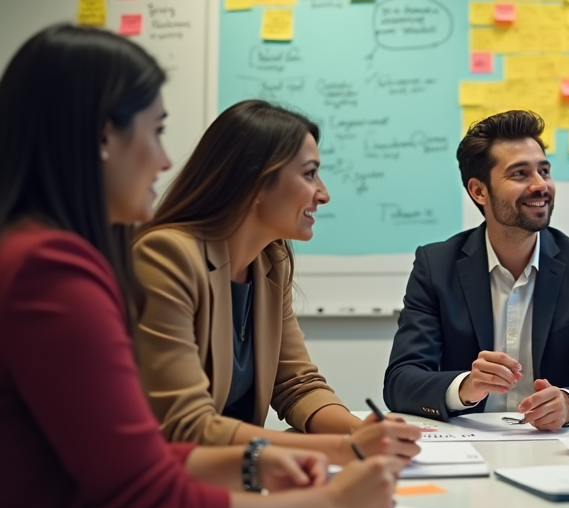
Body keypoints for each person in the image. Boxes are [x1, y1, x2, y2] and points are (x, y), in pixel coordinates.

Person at [0, 25, 399, 508]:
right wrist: (338, 502)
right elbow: (154, 503)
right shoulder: (55, 272)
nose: (165, 160)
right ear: (102, 137)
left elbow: (143, 459)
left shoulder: (41, 256)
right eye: (156, 131)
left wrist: (252, 462)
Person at [133, 100, 422, 464]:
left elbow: (296, 384)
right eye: (309, 174)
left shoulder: (271, 260)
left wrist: (359, 430)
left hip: (237, 474)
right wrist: (344, 449)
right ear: (255, 181)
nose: (324, 193)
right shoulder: (165, 256)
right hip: (169, 484)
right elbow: (186, 426)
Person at [383, 110, 569, 429]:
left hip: (552, 443)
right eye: (520, 174)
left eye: (544, 171)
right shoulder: (436, 265)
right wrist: (465, 387)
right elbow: (400, 381)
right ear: (479, 191)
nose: (541, 186)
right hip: (468, 441)